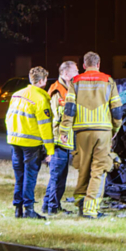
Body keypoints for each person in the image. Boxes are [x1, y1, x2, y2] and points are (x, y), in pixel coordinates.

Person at [59, 52, 123, 219]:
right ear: (99, 64)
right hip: (103, 131)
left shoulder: (75, 81)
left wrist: (64, 130)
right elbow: (116, 109)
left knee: (84, 168)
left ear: (85, 65)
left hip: (81, 131)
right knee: (99, 170)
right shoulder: (108, 81)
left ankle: (80, 201)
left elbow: (69, 108)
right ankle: (90, 209)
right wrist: (115, 129)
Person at [6, 66, 55, 219]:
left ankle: (18, 208)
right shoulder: (41, 99)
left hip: (15, 141)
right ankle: (29, 209)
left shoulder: (16, 95)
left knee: (19, 175)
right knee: (30, 176)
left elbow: (9, 117)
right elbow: (45, 128)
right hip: (31, 144)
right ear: (42, 81)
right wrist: (50, 150)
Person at [43, 61, 78, 215]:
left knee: (60, 176)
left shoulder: (67, 88)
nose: (78, 74)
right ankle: (52, 207)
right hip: (58, 139)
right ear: (65, 73)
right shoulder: (58, 90)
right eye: (75, 71)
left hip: (64, 140)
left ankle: (50, 205)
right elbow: (57, 116)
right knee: (57, 176)